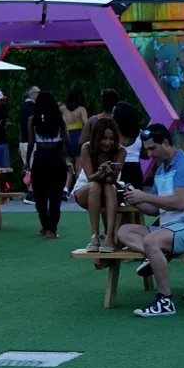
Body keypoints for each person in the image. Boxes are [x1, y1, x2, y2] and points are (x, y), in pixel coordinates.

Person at [117, 124, 184, 318]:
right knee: (124, 231)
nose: (149, 154)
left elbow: (180, 203)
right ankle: (157, 255)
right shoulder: (161, 171)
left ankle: (165, 300)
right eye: (147, 149)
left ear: (166, 143)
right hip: (169, 229)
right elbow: (154, 210)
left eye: (152, 148)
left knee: (152, 241)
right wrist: (135, 200)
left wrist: (145, 196)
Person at [72, 118, 126, 253]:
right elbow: (90, 178)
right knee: (96, 185)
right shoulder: (87, 147)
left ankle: (109, 236)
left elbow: (111, 181)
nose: (108, 143)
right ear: (96, 136)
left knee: (109, 187)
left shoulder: (120, 151)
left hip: (108, 192)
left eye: (111, 138)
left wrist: (111, 174)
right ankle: (94, 236)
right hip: (86, 191)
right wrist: (101, 172)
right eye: (104, 138)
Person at [24, 91, 70, 239]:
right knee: (55, 196)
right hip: (57, 158)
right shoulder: (59, 119)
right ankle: (52, 230)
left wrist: (27, 160)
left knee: (40, 195)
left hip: (40, 158)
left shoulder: (33, 120)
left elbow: (31, 143)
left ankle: (45, 226)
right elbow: (67, 139)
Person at [60, 89, 88, 197]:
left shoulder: (62, 108)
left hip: (66, 136)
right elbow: (86, 123)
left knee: (68, 165)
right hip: (78, 136)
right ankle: (77, 189)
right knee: (78, 166)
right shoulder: (81, 109)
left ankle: (66, 188)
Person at [112, 101, 144, 189]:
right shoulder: (140, 134)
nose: (111, 116)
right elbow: (146, 155)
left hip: (116, 169)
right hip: (135, 171)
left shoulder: (111, 134)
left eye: (114, 114)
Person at [19, 85, 40, 204]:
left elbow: (20, 127)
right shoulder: (31, 106)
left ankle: (30, 191)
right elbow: (32, 123)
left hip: (23, 141)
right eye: (38, 92)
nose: (39, 95)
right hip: (30, 141)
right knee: (32, 166)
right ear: (31, 94)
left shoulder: (22, 106)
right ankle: (31, 194)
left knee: (28, 166)